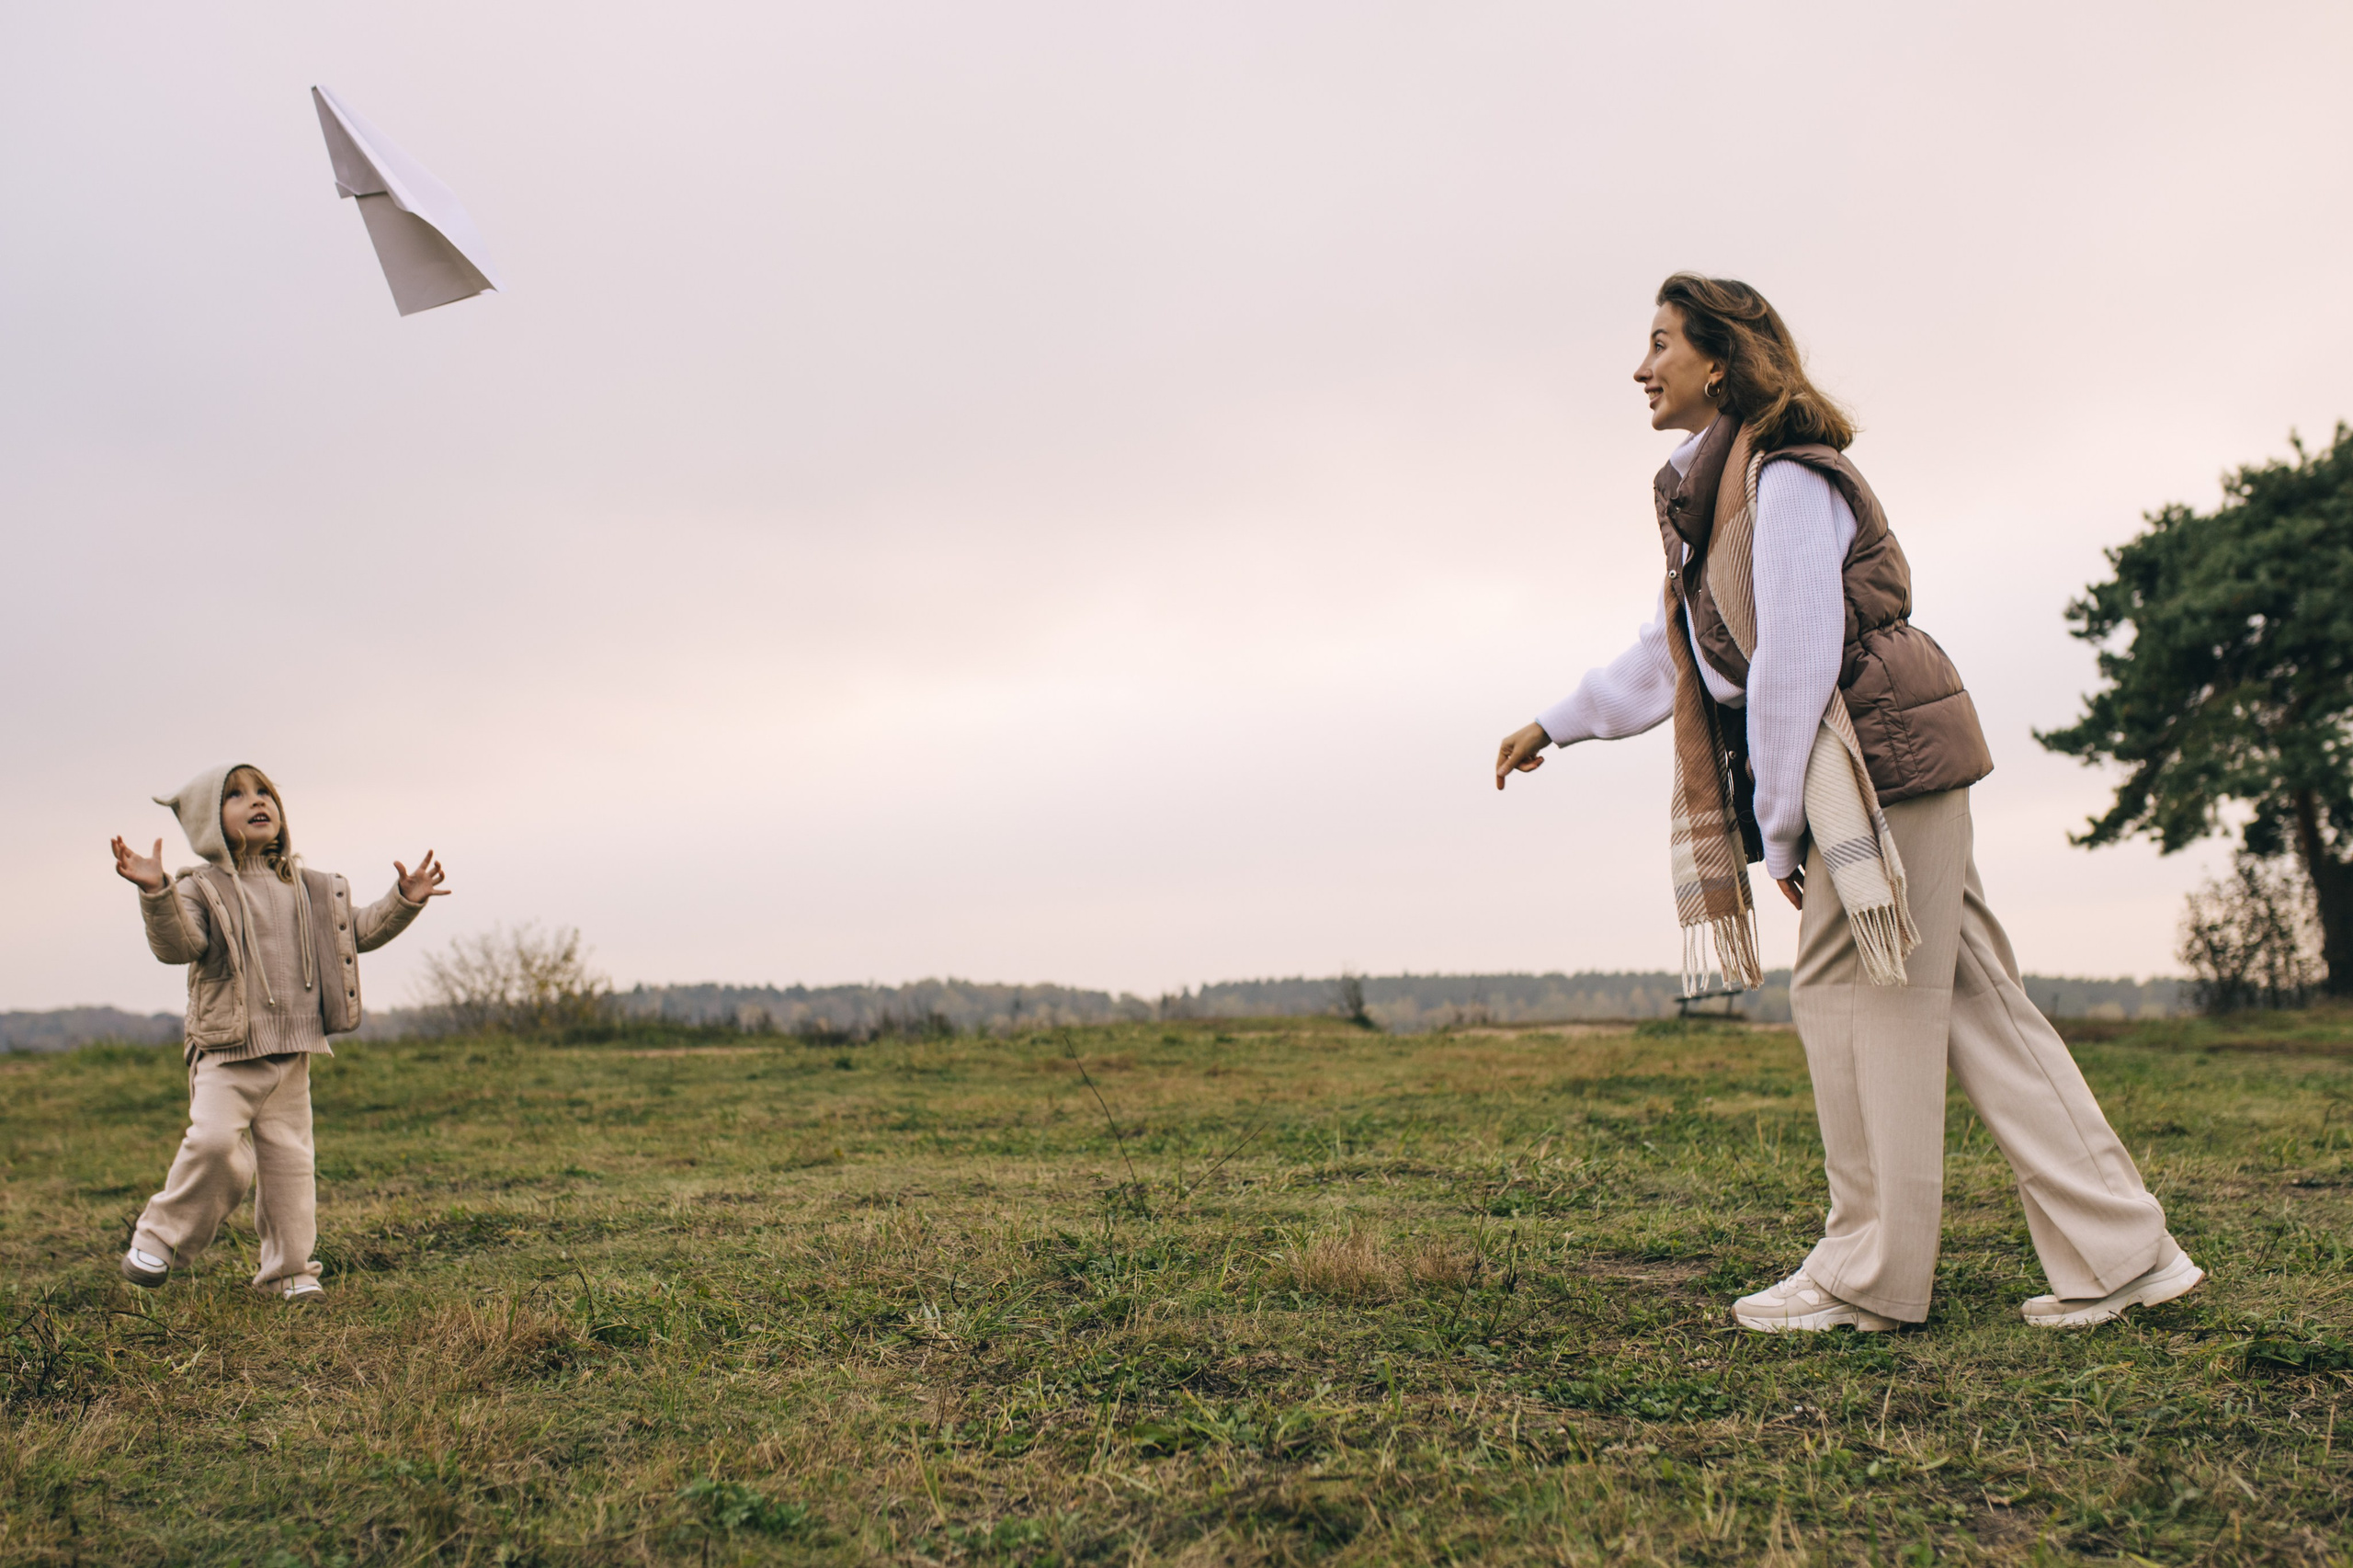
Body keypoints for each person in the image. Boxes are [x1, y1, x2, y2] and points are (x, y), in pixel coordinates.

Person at [1494, 275, 2202, 1332]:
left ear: (1719, 361)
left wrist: (1779, 827)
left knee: (1849, 990)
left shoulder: (1781, 478)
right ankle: (2123, 1250)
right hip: (1889, 752)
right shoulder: (1722, 491)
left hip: (1874, 762)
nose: (1642, 369)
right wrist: (1556, 721)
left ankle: (1869, 1272)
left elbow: (1789, 663)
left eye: (1660, 344)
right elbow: (1675, 651)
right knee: (1971, 1002)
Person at [109, 764, 448, 1302]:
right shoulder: (200, 887)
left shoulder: (311, 887)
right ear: (206, 820)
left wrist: (403, 900)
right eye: (237, 795)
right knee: (217, 1144)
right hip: (226, 1050)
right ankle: (158, 1237)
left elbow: (355, 933)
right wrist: (156, 891)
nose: (257, 801)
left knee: (291, 1167)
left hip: (295, 1049)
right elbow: (180, 945)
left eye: (264, 791)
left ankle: (290, 1274)